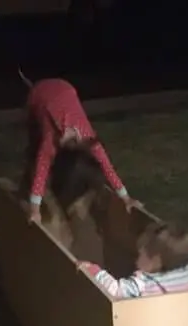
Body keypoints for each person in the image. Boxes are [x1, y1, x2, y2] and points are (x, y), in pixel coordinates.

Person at [21, 75, 139, 225]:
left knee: (70, 162)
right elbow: (41, 170)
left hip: (66, 89)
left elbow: (106, 166)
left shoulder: (88, 136)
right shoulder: (49, 140)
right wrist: (34, 209)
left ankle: (62, 178)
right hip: (39, 96)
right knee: (35, 152)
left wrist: (125, 197)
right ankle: (26, 187)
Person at [77, 222, 188, 299]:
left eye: (141, 253)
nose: (137, 255)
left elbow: (115, 290)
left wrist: (92, 270)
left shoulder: (145, 285)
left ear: (156, 261)